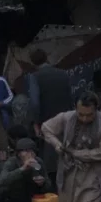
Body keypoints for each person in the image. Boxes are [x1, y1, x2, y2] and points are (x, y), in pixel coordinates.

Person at [25, 49, 72, 183]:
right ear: (46, 58)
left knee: (50, 156)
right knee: (65, 151)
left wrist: (35, 123)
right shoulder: (63, 74)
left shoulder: (35, 77)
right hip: (66, 118)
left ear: (32, 62)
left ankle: (54, 188)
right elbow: (70, 96)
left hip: (48, 120)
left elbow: (34, 102)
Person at [0, 138, 49, 202]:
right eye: (26, 151)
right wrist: (22, 169)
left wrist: (43, 183)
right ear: (19, 153)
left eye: (32, 151)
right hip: (15, 197)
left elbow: (49, 185)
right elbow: (0, 181)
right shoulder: (12, 162)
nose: (30, 154)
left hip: (31, 198)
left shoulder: (38, 162)